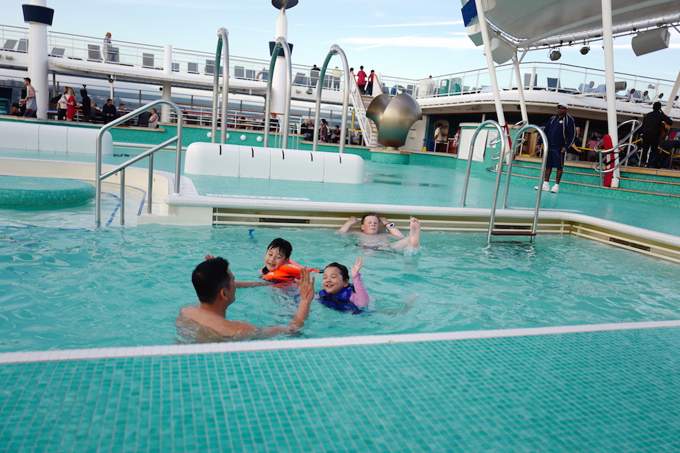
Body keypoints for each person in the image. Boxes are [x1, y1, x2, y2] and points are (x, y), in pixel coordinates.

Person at [176, 257, 315, 341]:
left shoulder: (186, 312)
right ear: (223, 294)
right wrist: (305, 300)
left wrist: (210, 276)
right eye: (233, 281)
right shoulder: (239, 330)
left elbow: (208, 289)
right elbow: (292, 331)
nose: (235, 285)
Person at [535, 103, 576, 194]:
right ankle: (545, 184)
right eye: (558, 108)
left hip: (560, 147)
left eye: (562, 108)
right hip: (549, 145)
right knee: (548, 165)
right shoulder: (552, 118)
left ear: (566, 109)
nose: (560, 109)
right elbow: (545, 131)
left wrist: (566, 147)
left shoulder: (569, 120)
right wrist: (539, 142)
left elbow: (572, 135)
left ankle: (556, 185)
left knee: (559, 166)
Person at [338, 214, 421, 252]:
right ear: (362, 227)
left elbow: (400, 237)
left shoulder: (383, 234)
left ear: (379, 226)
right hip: (367, 249)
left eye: (375, 223)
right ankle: (411, 239)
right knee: (368, 254)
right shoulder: (358, 233)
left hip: (385, 248)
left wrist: (386, 223)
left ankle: (410, 240)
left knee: (401, 242)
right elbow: (340, 233)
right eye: (369, 223)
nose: (372, 225)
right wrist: (348, 223)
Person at [641, 101, 673, 168]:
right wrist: (662, 114)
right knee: (654, 150)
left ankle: (642, 162)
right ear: (660, 108)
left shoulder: (647, 115)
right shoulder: (660, 115)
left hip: (645, 134)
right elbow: (670, 122)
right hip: (654, 134)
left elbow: (643, 125)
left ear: (652, 107)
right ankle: (651, 163)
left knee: (645, 149)